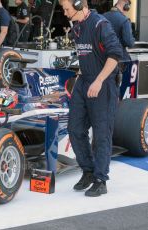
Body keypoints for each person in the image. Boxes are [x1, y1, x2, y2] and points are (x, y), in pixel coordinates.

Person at [59, 0, 123, 197]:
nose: (64, 12)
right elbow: (86, 55)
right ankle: (87, 170)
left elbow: (115, 55)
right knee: (74, 129)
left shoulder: (100, 24)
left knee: (102, 133)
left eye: (66, 8)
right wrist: (79, 78)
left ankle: (100, 179)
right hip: (83, 81)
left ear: (79, 5)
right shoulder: (77, 28)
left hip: (103, 84)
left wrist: (99, 80)